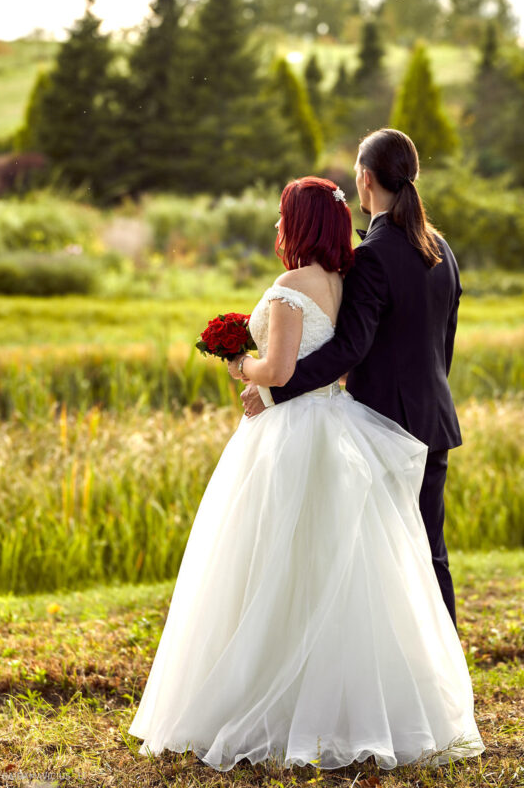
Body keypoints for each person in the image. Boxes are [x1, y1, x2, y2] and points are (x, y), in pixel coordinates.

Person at [129, 169, 484, 771]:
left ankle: (274, 701)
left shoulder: (294, 282)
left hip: (294, 433)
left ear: (298, 223)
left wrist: (241, 365)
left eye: (281, 214)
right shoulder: (342, 278)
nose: (274, 223)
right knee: (341, 565)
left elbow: (283, 369)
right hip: (336, 423)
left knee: (271, 561)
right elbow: (346, 353)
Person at [243, 128, 461, 626]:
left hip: (384, 424)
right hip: (434, 419)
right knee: (429, 552)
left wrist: (275, 388)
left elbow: (350, 347)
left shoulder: (373, 256)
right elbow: (444, 337)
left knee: (381, 559)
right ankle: (445, 673)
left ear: (364, 180)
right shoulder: (441, 248)